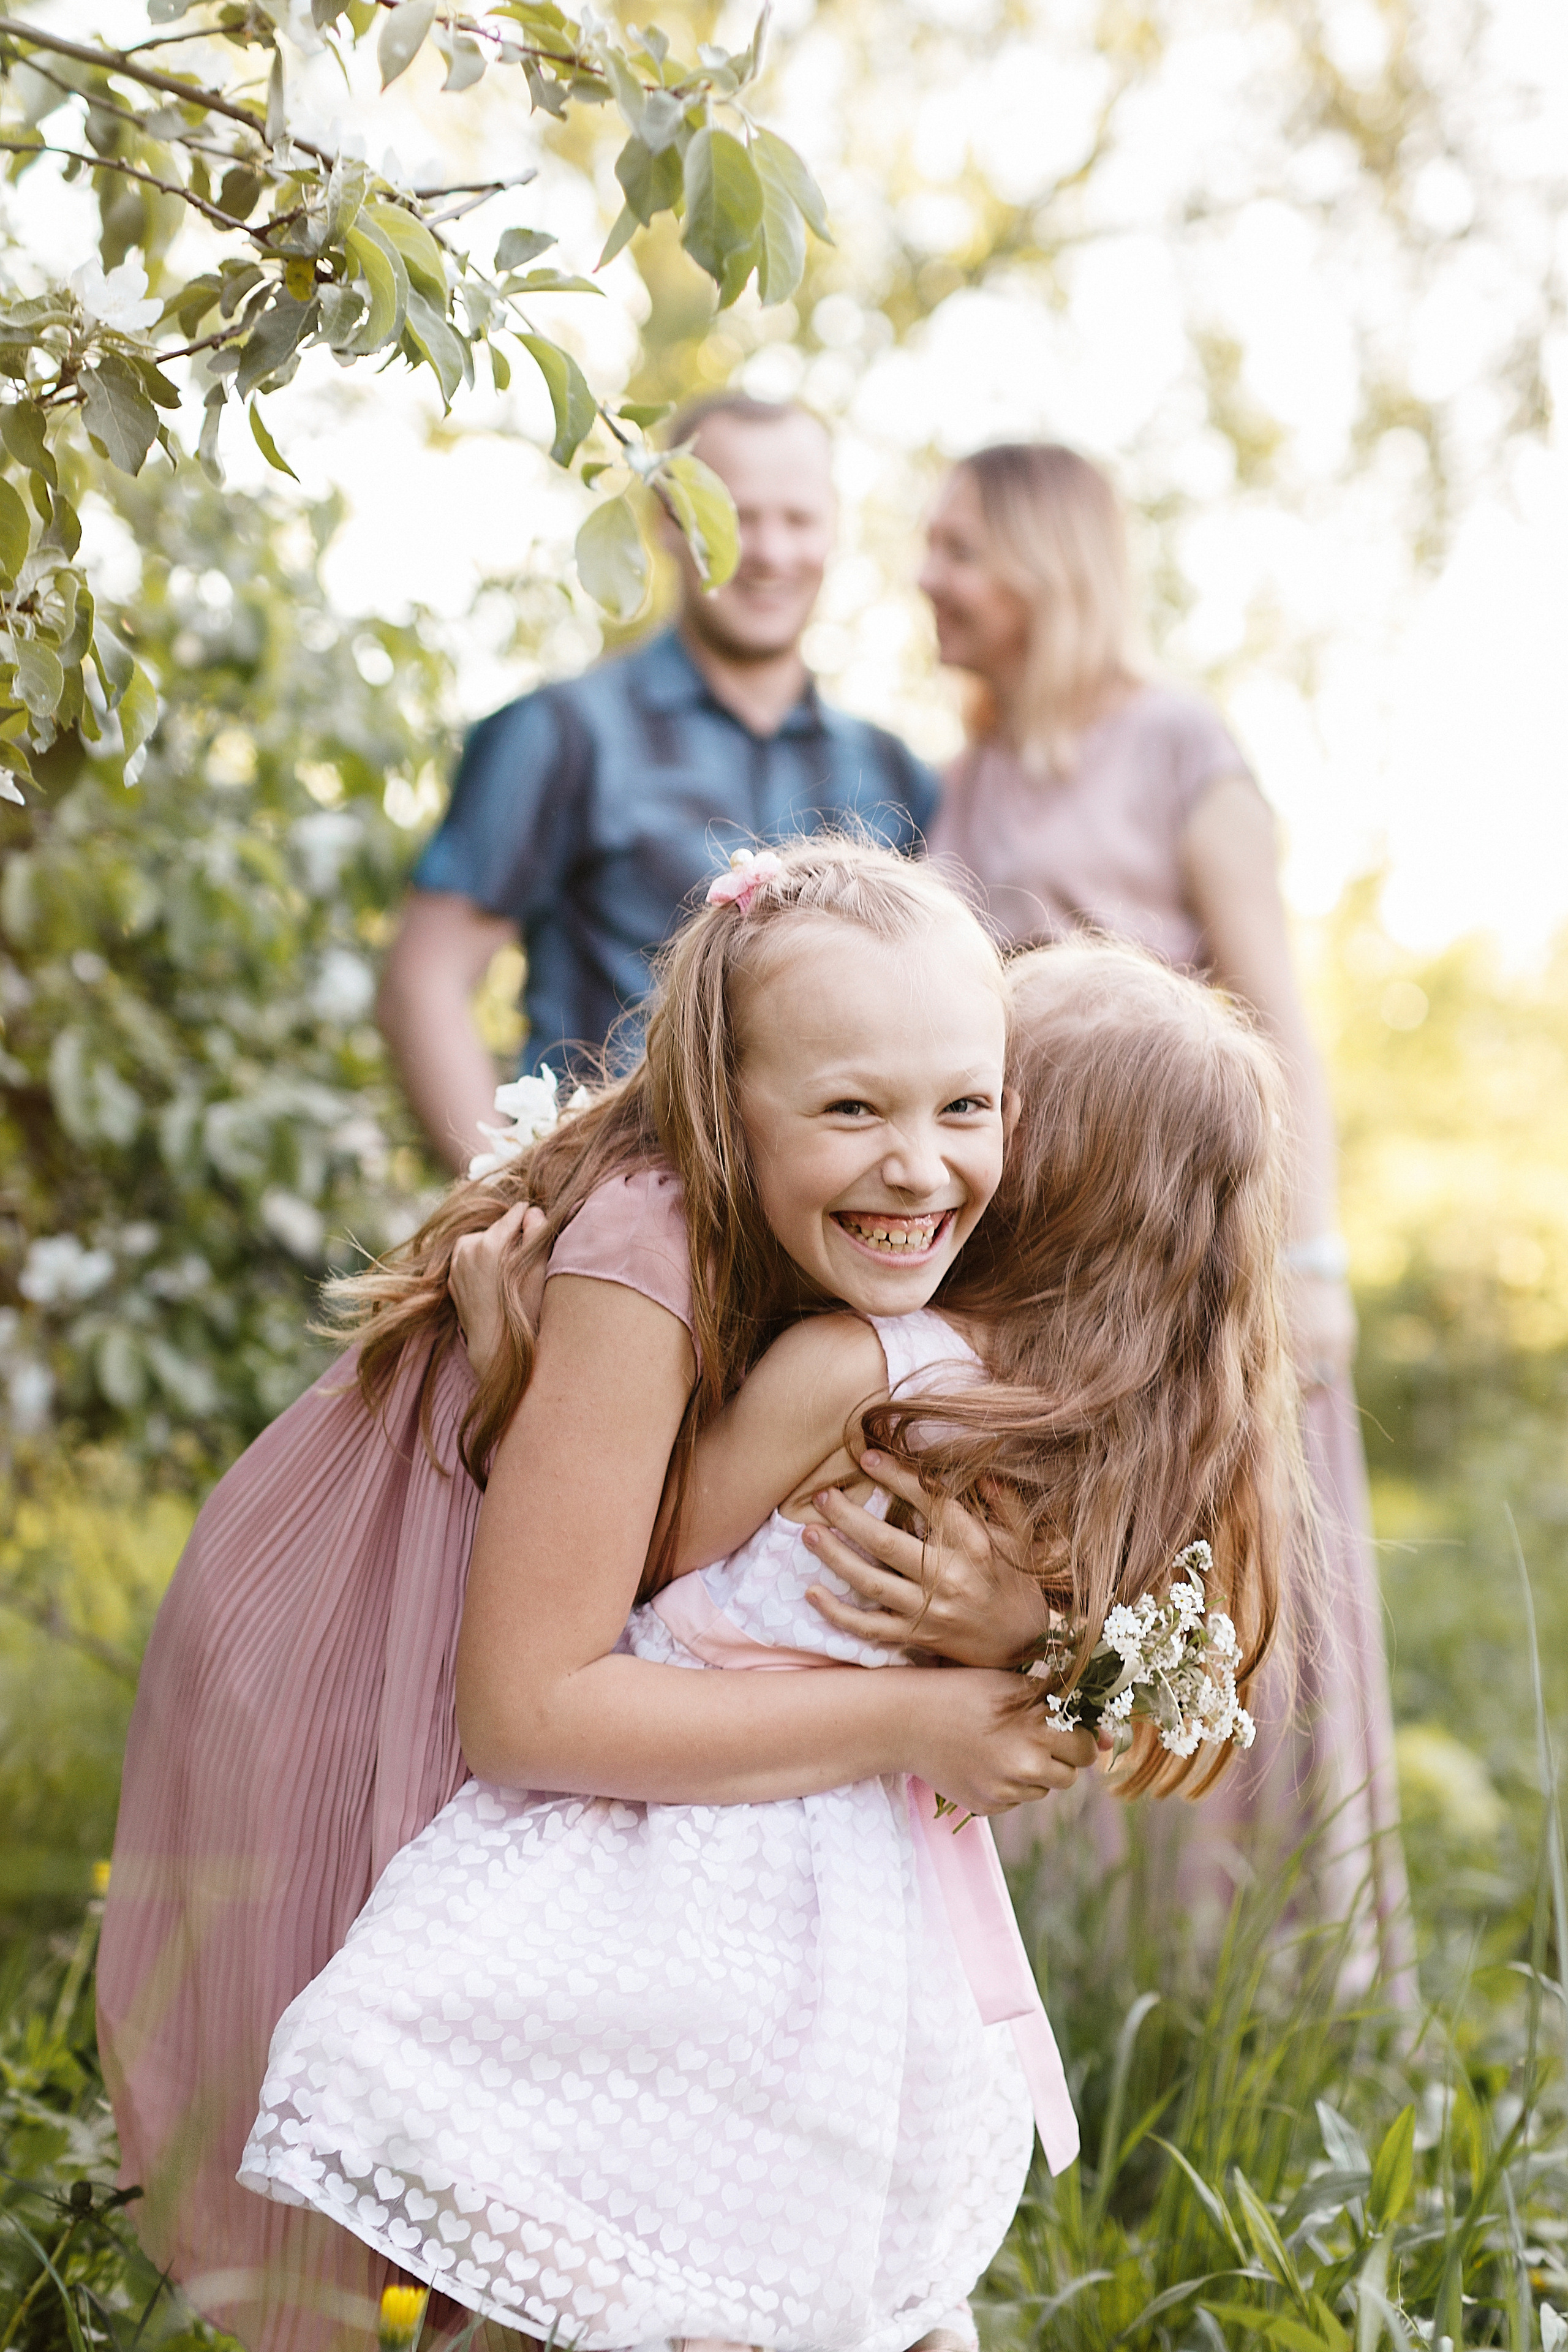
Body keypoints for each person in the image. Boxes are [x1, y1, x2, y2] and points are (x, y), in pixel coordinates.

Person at [99, 838, 1098, 2352]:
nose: (918, 1163)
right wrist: (915, 1713)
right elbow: (530, 1707)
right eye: (849, 1109)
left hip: (572, 1626)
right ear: (723, 1109)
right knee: (501, 2160)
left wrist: (1006, 1627)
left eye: (962, 1104)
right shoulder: (653, 1244)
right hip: (363, 1643)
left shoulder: (894, 1242)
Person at [238, 938, 1295, 2352]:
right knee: (801, 2261)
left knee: (580, 2232)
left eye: (972, 1096)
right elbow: (1142, 1679)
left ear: (1030, 1163)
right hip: (869, 1917)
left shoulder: (854, 1363)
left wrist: (516, 1380)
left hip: (696, 1861)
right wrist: (1027, 1638)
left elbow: (650, 1553)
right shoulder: (1100, 1427)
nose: (921, 1141)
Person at [914, 440, 1413, 1996]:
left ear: (1045, 562)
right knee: (1061, 1590)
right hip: (1041, 1266)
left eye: (955, 550)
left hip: (1182, 1253)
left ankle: (1264, 1979)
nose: (925, 579)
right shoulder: (979, 766)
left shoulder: (1181, 743)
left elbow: (1272, 1012)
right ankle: (1080, 1975)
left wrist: (1308, 1257)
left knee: (1221, 1598)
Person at [378, 394, 937, 1171]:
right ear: (667, 524)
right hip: (609, 1224)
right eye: (734, 516)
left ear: (834, 529)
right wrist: (505, 1203)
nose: (769, 551)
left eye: (798, 519)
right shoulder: (562, 733)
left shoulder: (897, 772)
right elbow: (424, 983)